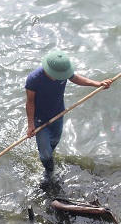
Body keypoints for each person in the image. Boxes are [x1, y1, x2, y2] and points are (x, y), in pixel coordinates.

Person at [25, 50, 112, 181]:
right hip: (40, 120)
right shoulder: (34, 79)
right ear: (49, 71)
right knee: (45, 155)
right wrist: (31, 124)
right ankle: (49, 173)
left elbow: (76, 78)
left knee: (54, 142)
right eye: (58, 76)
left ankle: (48, 156)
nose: (61, 77)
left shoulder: (63, 72)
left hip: (58, 114)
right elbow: (30, 102)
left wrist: (97, 84)